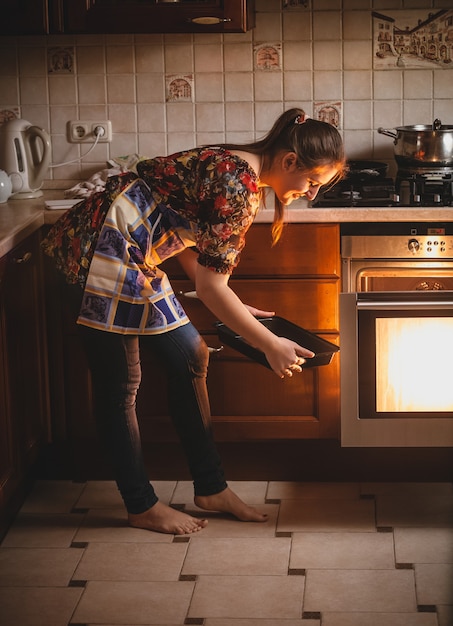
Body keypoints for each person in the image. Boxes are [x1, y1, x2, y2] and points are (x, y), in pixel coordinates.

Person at [42, 107, 346, 535]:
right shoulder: (239, 186)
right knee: (120, 385)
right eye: (312, 182)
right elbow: (210, 289)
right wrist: (269, 344)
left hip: (131, 253)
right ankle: (141, 505)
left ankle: (210, 487)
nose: (310, 194)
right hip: (100, 251)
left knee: (190, 354)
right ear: (290, 162)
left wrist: (236, 305)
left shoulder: (237, 166)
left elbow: (192, 250)